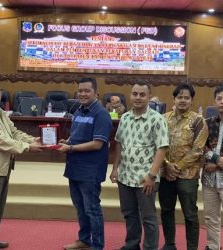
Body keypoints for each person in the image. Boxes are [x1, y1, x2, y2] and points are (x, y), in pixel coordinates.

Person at [0, 77, 43, 250]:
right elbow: (1, 140)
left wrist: (32, 139)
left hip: (1, 166)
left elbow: (13, 132)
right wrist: (27, 147)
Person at [110, 83, 169, 250]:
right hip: (125, 175)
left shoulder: (158, 119)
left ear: (149, 97)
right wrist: (115, 168)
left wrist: (151, 176)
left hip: (146, 178)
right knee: (129, 214)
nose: (138, 97)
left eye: (142, 94)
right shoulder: (125, 118)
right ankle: (132, 244)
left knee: (148, 217)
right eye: (135, 94)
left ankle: (150, 247)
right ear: (130, 95)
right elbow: (119, 144)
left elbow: (162, 148)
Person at [58, 77, 113, 250]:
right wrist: (66, 141)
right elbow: (76, 136)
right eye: (80, 90)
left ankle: (97, 245)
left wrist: (71, 148)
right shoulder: (78, 111)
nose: (82, 94)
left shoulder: (101, 113)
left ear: (96, 93)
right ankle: (84, 240)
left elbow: (97, 143)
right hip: (74, 167)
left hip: (90, 170)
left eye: (86, 91)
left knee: (92, 209)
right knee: (80, 208)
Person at [159, 84, 208, 250]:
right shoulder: (163, 118)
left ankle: (192, 247)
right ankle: (169, 244)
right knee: (166, 211)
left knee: (190, 215)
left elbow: (198, 150)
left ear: (192, 100)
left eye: (186, 97)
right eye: (179, 97)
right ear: (174, 99)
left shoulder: (198, 121)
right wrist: (166, 165)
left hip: (188, 175)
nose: (183, 100)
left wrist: (176, 167)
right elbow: (157, 144)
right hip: (166, 174)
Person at [202, 85, 223, 250]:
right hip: (209, 179)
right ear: (214, 102)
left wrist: (216, 164)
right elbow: (201, 147)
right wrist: (218, 160)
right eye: (219, 98)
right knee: (210, 217)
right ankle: (213, 246)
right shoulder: (207, 123)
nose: (222, 102)